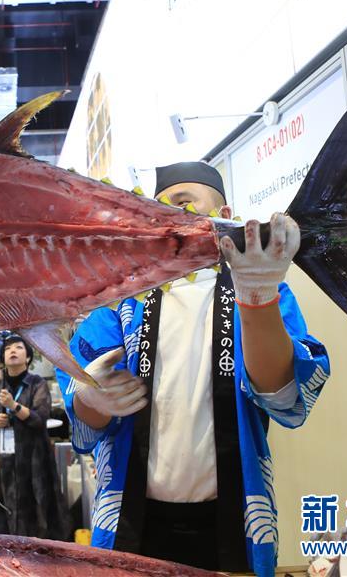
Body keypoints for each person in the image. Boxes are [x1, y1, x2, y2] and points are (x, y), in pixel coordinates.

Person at [56, 162, 330, 575]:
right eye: (159, 210)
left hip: (232, 517)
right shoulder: (120, 297)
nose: (172, 219)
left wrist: (257, 297)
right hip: (133, 518)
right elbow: (85, 418)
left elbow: (285, 397)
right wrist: (92, 398)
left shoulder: (261, 283)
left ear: (225, 215)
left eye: (184, 204)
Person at [0, 334, 70, 540]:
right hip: (0, 463)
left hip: (32, 462)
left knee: (34, 511)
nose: (12, 351)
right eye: (8, 348)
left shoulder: (37, 384)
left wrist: (14, 406)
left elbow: (40, 419)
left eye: (19, 347)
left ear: (28, 358)